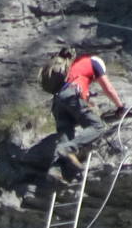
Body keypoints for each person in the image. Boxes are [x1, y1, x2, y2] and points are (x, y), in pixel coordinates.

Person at [52, 52, 125, 182]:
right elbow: (107, 88)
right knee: (98, 127)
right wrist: (120, 106)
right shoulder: (94, 63)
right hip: (71, 95)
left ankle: (55, 170)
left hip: (57, 102)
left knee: (65, 134)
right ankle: (68, 149)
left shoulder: (74, 67)